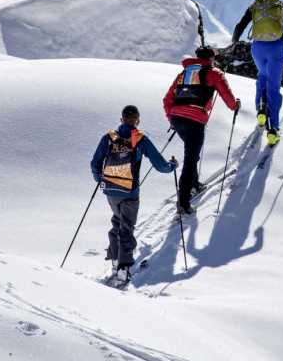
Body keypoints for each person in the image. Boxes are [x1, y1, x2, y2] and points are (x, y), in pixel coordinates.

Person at [90, 104, 176, 284]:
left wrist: (100, 179)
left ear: (121, 119)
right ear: (137, 121)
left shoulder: (109, 137)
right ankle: (124, 268)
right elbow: (160, 164)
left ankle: (115, 261)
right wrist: (172, 166)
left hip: (110, 190)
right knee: (126, 227)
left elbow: (95, 163)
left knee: (117, 221)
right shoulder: (139, 138)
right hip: (130, 192)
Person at [162, 46, 241, 215]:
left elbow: (167, 99)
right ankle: (183, 203)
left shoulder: (184, 74)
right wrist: (235, 105)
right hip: (195, 121)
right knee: (190, 159)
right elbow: (226, 95)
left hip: (177, 119)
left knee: (192, 153)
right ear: (211, 58)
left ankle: (194, 184)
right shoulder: (214, 73)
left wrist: (172, 118)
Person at [230, 0, 283, 146]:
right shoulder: (281, 6)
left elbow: (239, 26)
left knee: (262, 76)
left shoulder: (254, 6)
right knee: (273, 86)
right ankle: (273, 129)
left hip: (257, 48)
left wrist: (234, 40)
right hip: (276, 48)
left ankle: (261, 110)